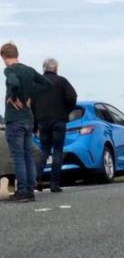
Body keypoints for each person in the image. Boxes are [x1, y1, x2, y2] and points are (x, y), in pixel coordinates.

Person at [2, 42, 51, 202]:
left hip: (14, 120)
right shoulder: (29, 70)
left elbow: (14, 83)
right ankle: (30, 190)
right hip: (28, 118)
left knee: (18, 157)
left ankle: (22, 191)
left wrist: (13, 97)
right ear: (17, 54)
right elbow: (47, 84)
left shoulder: (9, 70)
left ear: (4, 56)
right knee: (28, 155)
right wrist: (31, 97)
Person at [34, 58, 77, 193]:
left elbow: (32, 105)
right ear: (56, 69)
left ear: (43, 68)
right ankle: (54, 184)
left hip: (43, 121)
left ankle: (37, 179)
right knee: (58, 151)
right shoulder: (62, 81)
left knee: (44, 151)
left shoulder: (36, 83)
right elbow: (72, 97)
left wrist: (35, 125)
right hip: (59, 120)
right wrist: (66, 111)